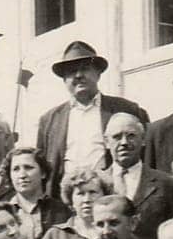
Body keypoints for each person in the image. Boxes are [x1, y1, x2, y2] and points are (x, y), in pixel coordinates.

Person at [35, 40, 147, 199]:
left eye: (85, 69)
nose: (79, 75)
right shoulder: (49, 120)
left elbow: (146, 157)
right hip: (67, 203)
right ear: (64, 79)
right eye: (71, 71)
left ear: (98, 73)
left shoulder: (127, 109)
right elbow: (43, 170)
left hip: (113, 198)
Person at [102, 114, 173, 239]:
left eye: (131, 136)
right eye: (117, 137)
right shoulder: (97, 183)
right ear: (106, 142)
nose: (124, 142)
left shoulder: (167, 184)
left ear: (143, 139)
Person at [36, 165, 111, 239]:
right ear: (71, 199)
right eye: (80, 194)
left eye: (93, 192)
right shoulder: (55, 235)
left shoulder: (115, 232)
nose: (87, 199)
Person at [7, 144, 69, 239]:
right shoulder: (3, 213)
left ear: (43, 173)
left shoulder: (61, 210)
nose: (22, 175)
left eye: (28, 167)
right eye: (16, 169)